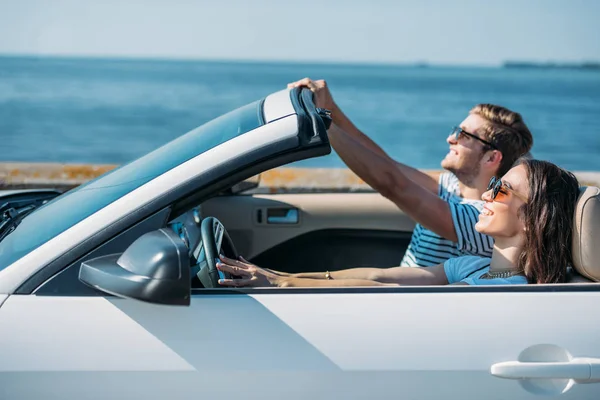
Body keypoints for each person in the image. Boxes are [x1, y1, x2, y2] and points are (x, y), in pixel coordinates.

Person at [287, 78, 534, 268]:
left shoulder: (482, 220)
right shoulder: (451, 186)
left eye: (463, 135)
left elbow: (392, 185)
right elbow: (387, 165)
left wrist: (321, 124)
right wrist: (331, 108)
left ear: (492, 157)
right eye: (455, 130)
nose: (450, 139)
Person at [216, 159, 580, 287]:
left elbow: (387, 291)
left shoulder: (504, 291)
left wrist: (283, 284)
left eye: (502, 191)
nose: (487, 195)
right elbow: (382, 277)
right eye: (493, 185)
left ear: (534, 220)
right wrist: (278, 278)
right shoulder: (474, 267)